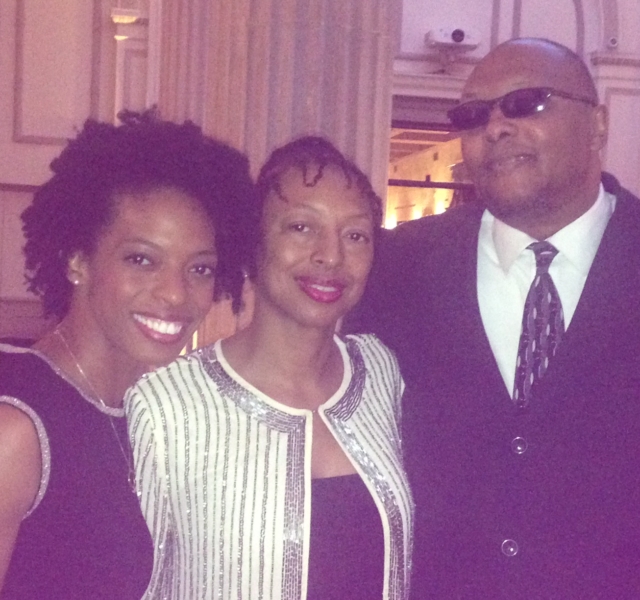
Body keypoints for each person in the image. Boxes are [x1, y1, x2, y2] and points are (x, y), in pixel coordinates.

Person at [348, 38, 640, 598]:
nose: (496, 127)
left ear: (598, 124)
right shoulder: (398, 269)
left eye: (527, 103)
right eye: (473, 115)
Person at [126, 136, 414, 600]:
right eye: (301, 227)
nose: (331, 255)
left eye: (355, 235)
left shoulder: (380, 371)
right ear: (252, 245)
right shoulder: (166, 405)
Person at [0, 111, 256, 599]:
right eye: (142, 260)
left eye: (200, 269)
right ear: (78, 260)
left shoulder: (149, 413)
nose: (175, 294)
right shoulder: (16, 428)